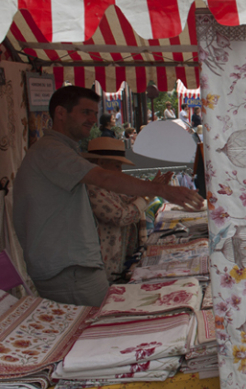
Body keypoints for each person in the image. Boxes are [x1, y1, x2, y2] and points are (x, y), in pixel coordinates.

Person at [13, 86, 203, 306]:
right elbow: (104, 180)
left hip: (72, 267)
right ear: (61, 113)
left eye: (95, 113)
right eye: (85, 112)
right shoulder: (51, 150)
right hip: (68, 269)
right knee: (100, 324)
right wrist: (161, 190)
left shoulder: (59, 149)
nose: (93, 119)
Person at [83, 138, 168, 282]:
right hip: (106, 265)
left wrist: (150, 190)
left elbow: (126, 202)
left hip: (116, 261)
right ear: (101, 164)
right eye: (117, 166)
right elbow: (121, 215)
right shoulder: (93, 188)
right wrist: (148, 195)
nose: (120, 171)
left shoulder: (106, 187)